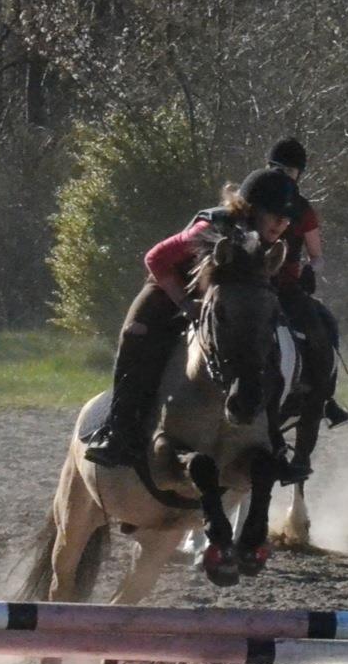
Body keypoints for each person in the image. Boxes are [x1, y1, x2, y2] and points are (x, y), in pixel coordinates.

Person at [85, 168, 298, 471]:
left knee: (267, 345)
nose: (281, 224)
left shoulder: (265, 240)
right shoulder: (212, 226)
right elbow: (155, 258)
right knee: (135, 334)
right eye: (275, 215)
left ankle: (272, 438)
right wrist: (185, 304)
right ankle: (118, 432)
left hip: (221, 303)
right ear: (253, 209)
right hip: (168, 288)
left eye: (287, 219)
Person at [267, 137, 348, 480]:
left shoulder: (303, 210)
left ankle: (323, 398)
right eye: (278, 169)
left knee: (323, 330)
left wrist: (306, 271)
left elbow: (317, 257)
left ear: (298, 174)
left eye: (289, 170)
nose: (284, 175)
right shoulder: (250, 199)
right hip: (251, 285)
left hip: (286, 288)